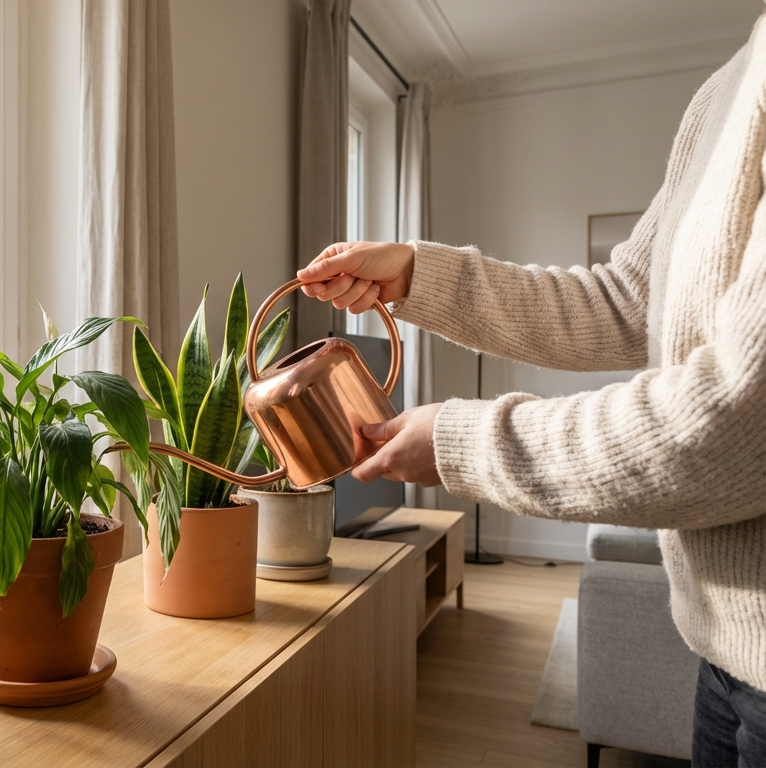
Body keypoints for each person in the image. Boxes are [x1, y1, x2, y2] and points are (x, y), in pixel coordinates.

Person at [297, 17, 766, 767]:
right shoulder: (729, 85)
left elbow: (733, 428)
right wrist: (416, 273)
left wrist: (460, 442)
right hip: (719, 647)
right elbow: (626, 297)